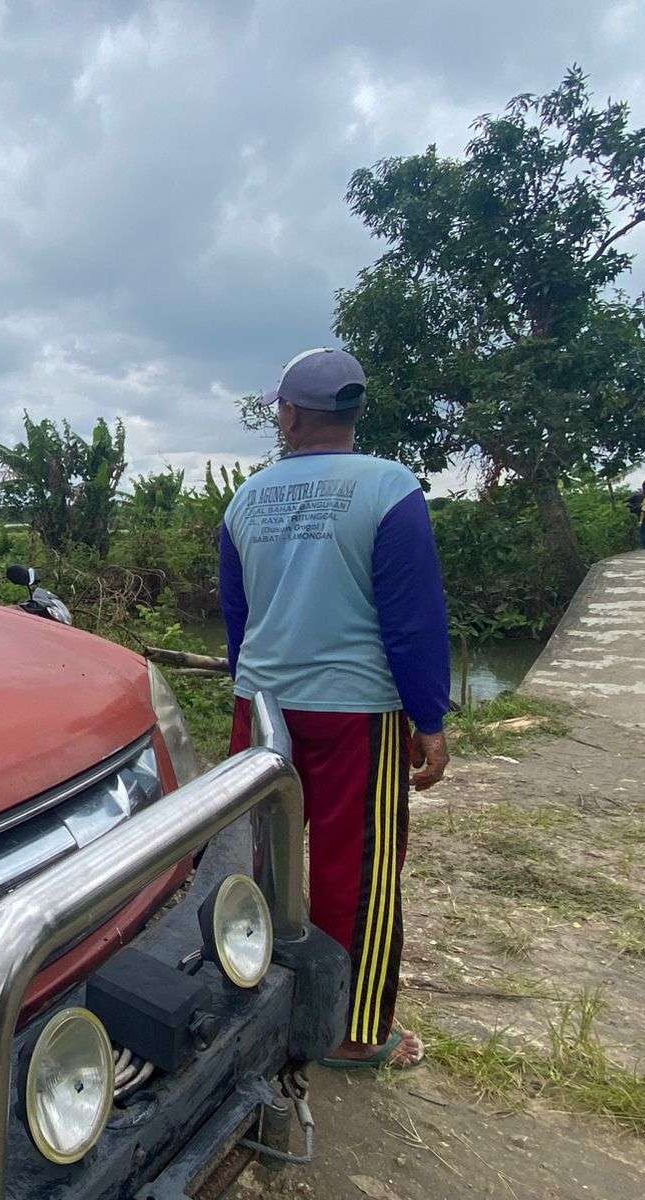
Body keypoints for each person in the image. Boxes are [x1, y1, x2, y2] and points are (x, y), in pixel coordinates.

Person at [219, 347, 451, 1071]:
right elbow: (412, 617)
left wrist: (253, 689)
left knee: (254, 862)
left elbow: (238, 616)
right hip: (356, 713)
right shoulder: (387, 488)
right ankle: (351, 1030)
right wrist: (430, 717)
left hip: (260, 710)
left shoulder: (245, 498)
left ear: (287, 415)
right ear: (353, 414)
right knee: (358, 868)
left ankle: (243, 1003)